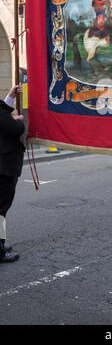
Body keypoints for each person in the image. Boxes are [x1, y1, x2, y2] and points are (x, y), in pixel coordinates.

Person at [0, 84, 25, 263]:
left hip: (4, 166)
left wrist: (10, 97)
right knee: (0, 210)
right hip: (4, 168)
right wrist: (18, 120)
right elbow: (15, 128)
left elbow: (2, 111)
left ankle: (0, 245)